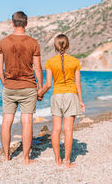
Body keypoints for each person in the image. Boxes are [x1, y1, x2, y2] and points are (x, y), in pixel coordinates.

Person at [0, 11, 43, 165]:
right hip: (28, 87)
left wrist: (4, 81)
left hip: (9, 86)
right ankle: (25, 159)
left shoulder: (4, 42)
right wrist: (40, 88)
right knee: (27, 122)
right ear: (26, 24)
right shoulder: (33, 42)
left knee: (6, 121)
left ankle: (6, 157)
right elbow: (37, 68)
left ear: (12, 23)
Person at [38, 34, 85, 168]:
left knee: (56, 129)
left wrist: (39, 94)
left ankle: (57, 160)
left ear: (55, 46)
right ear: (68, 45)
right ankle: (67, 161)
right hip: (71, 95)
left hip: (56, 96)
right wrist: (80, 100)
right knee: (68, 129)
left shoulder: (50, 62)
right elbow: (78, 84)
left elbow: (47, 84)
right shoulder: (75, 61)